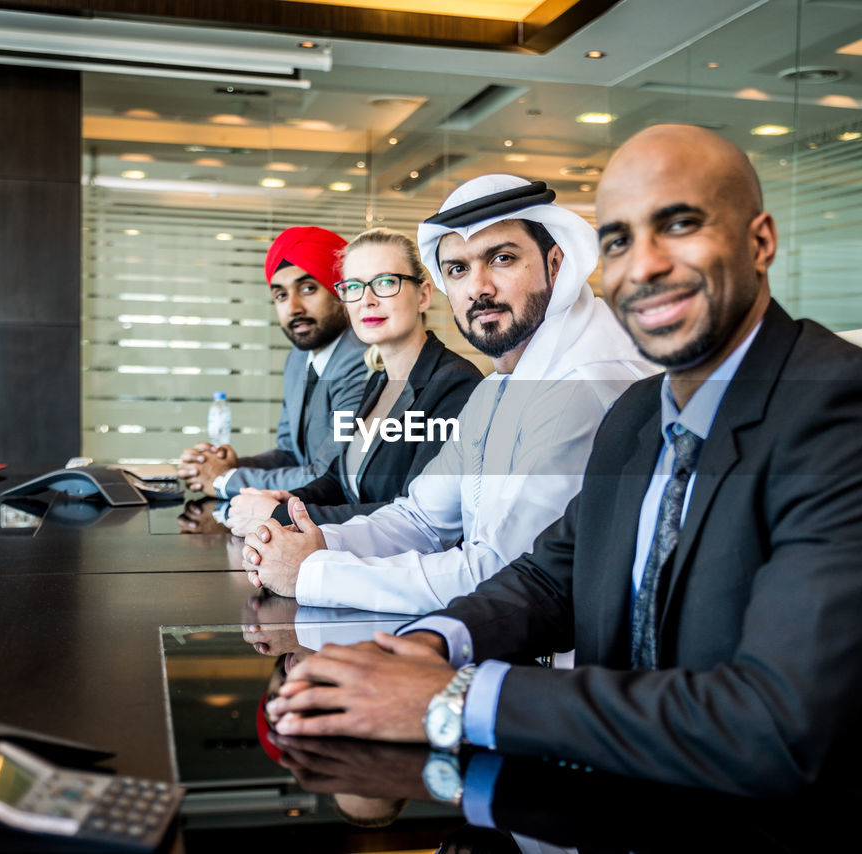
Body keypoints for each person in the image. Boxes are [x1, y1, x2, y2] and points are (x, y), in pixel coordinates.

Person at [260, 125, 862, 848]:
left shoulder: (854, 416)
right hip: (641, 796)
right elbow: (552, 577)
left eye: (678, 225)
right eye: (618, 241)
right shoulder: (642, 411)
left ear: (760, 241)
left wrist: (452, 700)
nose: (645, 265)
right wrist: (426, 646)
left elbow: (771, 725)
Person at [239, 175, 655, 614]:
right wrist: (313, 541)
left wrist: (312, 572)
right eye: (458, 269)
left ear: (556, 263)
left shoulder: (581, 385)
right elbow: (420, 518)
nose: (478, 287)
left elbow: (501, 574)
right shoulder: (496, 387)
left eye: (502, 258)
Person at [225, 228, 483, 536]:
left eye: (385, 282)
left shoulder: (454, 384)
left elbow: (414, 518)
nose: (367, 300)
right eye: (354, 287)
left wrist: (281, 515)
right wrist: (291, 501)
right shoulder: (378, 381)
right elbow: (338, 480)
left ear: (423, 295)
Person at [177, 226, 368, 499]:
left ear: (341, 291)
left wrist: (225, 479)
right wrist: (228, 466)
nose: (293, 308)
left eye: (307, 288)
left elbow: (330, 474)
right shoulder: (298, 359)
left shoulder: (363, 360)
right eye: (280, 295)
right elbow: (290, 453)